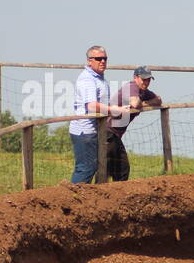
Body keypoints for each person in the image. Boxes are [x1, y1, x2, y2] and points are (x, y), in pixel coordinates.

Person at [70, 45, 123, 184]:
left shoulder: (99, 78)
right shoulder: (88, 79)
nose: (103, 61)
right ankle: (73, 197)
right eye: (98, 58)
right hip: (85, 130)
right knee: (86, 168)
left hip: (94, 130)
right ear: (89, 61)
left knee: (94, 165)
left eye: (105, 58)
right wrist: (113, 110)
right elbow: (92, 106)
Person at [105, 66, 163, 182]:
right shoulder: (131, 87)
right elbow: (135, 103)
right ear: (136, 78)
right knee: (120, 169)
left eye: (149, 80)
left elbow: (158, 100)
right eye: (144, 79)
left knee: (112, 169)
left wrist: (144, 103)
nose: (146, 82)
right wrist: (143, 103)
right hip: (108, 132)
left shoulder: (143, 92)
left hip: (114, 134)